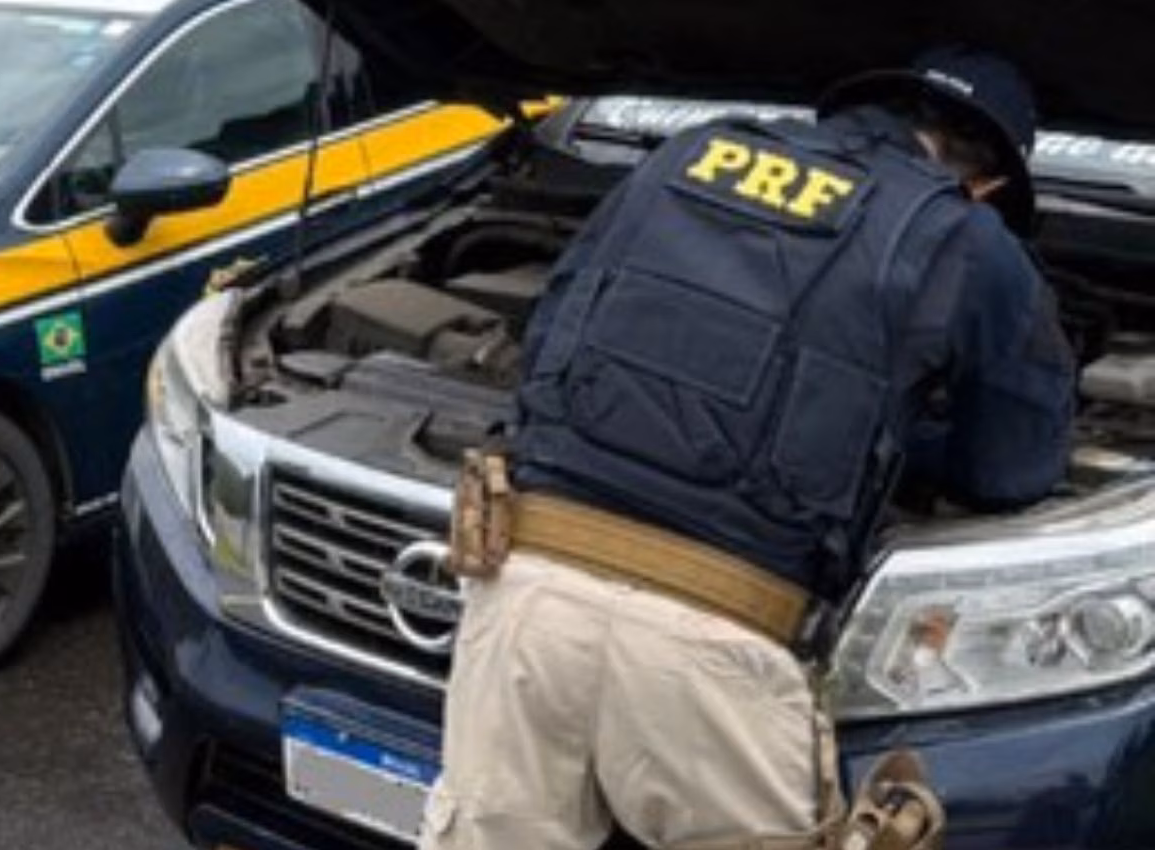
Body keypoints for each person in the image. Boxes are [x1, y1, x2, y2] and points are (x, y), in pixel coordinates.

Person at [425, 48, 1077, 850]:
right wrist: (890, 432)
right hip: (713, 644)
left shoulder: (688, 153)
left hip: (524, 597)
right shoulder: (967, 237)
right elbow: (1011, 470)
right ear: (990, 182)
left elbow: (554, 334)